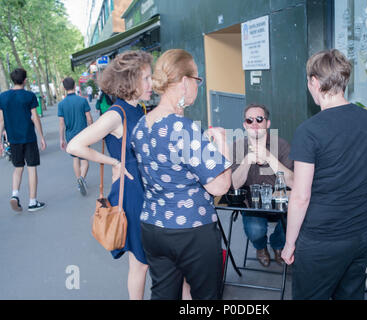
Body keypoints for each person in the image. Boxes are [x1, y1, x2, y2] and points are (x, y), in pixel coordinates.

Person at [281, 49, 367, 300]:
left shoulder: (309, 130)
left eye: (309, 82)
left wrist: (289, 243)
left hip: (323, 239)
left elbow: (301, 196)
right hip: (362, 234)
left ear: (314, 82)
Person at [131, 49, 232, 300]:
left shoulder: (141, 125)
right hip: (191, 229)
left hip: (153, 227)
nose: (198, 86)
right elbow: (219, 186)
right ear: (185, 82)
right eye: (198, 80)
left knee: (164, 294)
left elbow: (170, 165)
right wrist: (222, 143)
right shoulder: (182, 128)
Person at [66, 51, 153, 300]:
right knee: (141, 262)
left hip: (145, 189)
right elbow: (75, 146)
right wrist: (114, 161)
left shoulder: (140, 108)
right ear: (130, 81)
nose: (151, 84)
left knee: (144, 260)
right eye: (146, 79)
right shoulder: (117, 114)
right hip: (133, 194)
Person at [231, 104, 294, 267]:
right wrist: (246, 161)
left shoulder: (281, 145)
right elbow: (233, 185)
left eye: (259, 119)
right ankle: (260, 247)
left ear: (268, 123)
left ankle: (277, 244)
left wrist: (269, 157)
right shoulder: (237, 146)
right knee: (255, 230)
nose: (255, 124)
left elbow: (293, 182)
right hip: (251, 204)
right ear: (244, 125)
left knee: (296, 220)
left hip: (280, 201)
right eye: (249, 120)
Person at [0, 68, 46, 212]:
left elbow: (1, 120)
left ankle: (15, 195)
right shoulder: (29, 96)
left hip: (13, 139)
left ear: (12, 80)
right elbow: (35, 117)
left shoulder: (3, 97)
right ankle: (32, 202)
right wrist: (42, 137)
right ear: (25, 80)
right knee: (31, 168)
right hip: (29, 137)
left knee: (18, 168)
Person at [58, 77, 93, 196]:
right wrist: (93, 130)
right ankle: (82, 179)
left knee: (75, 159)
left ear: (64, 88)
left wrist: (61, 139)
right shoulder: (82, 101)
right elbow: (88, 118)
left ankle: (79, 180)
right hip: (84, 134)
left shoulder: (61, 104)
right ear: (74, 86)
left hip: (70, 135)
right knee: (85, 160)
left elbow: (61, 123)